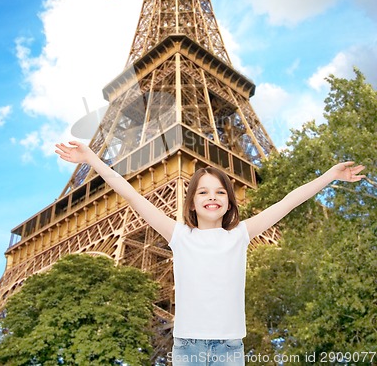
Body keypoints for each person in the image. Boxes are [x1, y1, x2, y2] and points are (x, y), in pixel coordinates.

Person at [55, 141, 365, 365]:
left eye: (220, 192)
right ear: (190, 203)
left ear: (230, 203)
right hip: (187, 349)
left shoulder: (240, 235)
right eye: (202, 191)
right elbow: (130, 194)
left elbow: (287, 202)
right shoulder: (179, 236)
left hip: (230, 349)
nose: (212, 197)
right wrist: (92, 158)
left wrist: (329, 176)